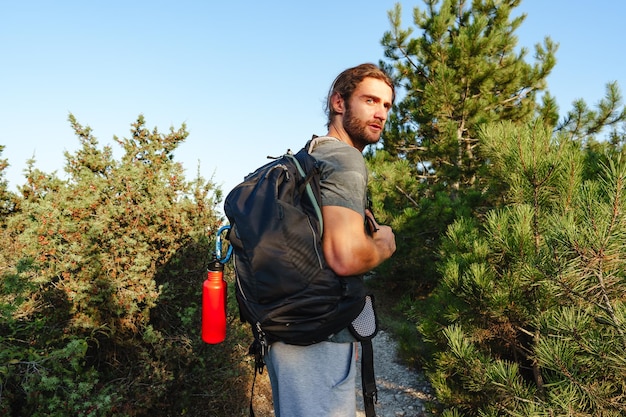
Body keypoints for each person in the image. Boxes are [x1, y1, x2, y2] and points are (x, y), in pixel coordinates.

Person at [264, 63, 397, 417]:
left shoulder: (310, 155)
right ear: (339, 102)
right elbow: (345, 257)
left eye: (386, 106)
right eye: (370, 101)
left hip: (287, 332)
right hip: (318, 338)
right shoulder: (345, 158)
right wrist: (385, 243)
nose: (380, 113)